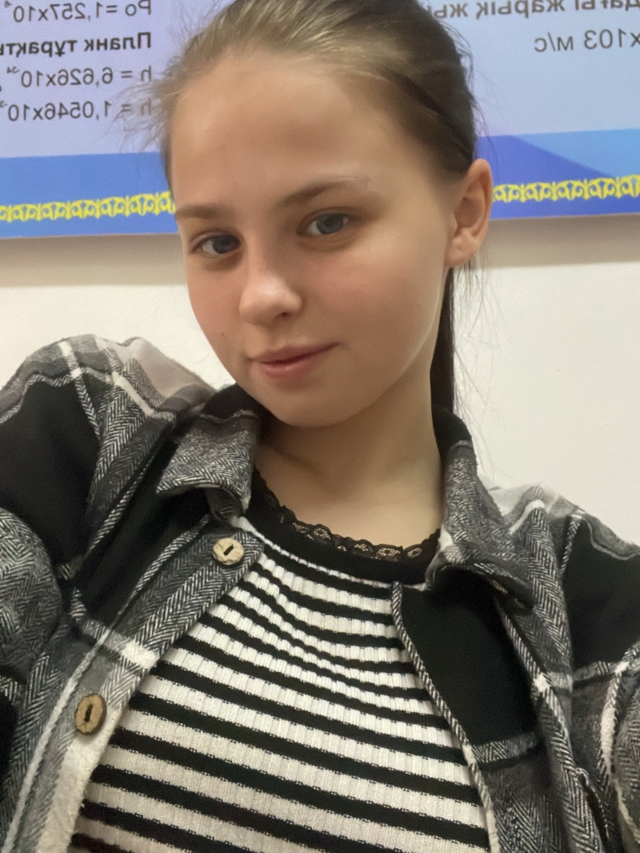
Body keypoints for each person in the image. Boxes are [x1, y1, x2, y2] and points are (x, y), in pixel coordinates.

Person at [0, 0, 639, 851]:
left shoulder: (585, 607)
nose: (262, 295)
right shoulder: (88, 434)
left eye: (326, 222)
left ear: (464, 212)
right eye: (217, 241)